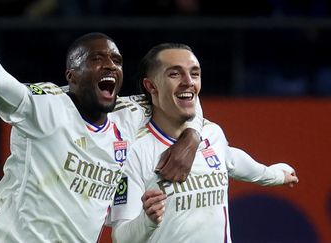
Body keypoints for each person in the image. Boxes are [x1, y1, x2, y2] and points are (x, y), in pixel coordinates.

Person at [0, 12, 204, 242]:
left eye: (116, 60)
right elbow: (1, 84)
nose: (110, 65)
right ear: (72, 75)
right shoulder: (46, 108)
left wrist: (191, 139)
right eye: (97, 58)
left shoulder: (129, 116)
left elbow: (186, 98)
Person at [109, 43, 299, 242]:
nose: (188, 81)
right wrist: (146, 221)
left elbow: (231, 160)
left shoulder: (212, 132)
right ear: (151, 86)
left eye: (195, 73)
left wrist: (274, 175)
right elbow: (121, 237)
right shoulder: (135, 151)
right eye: (174, 74)